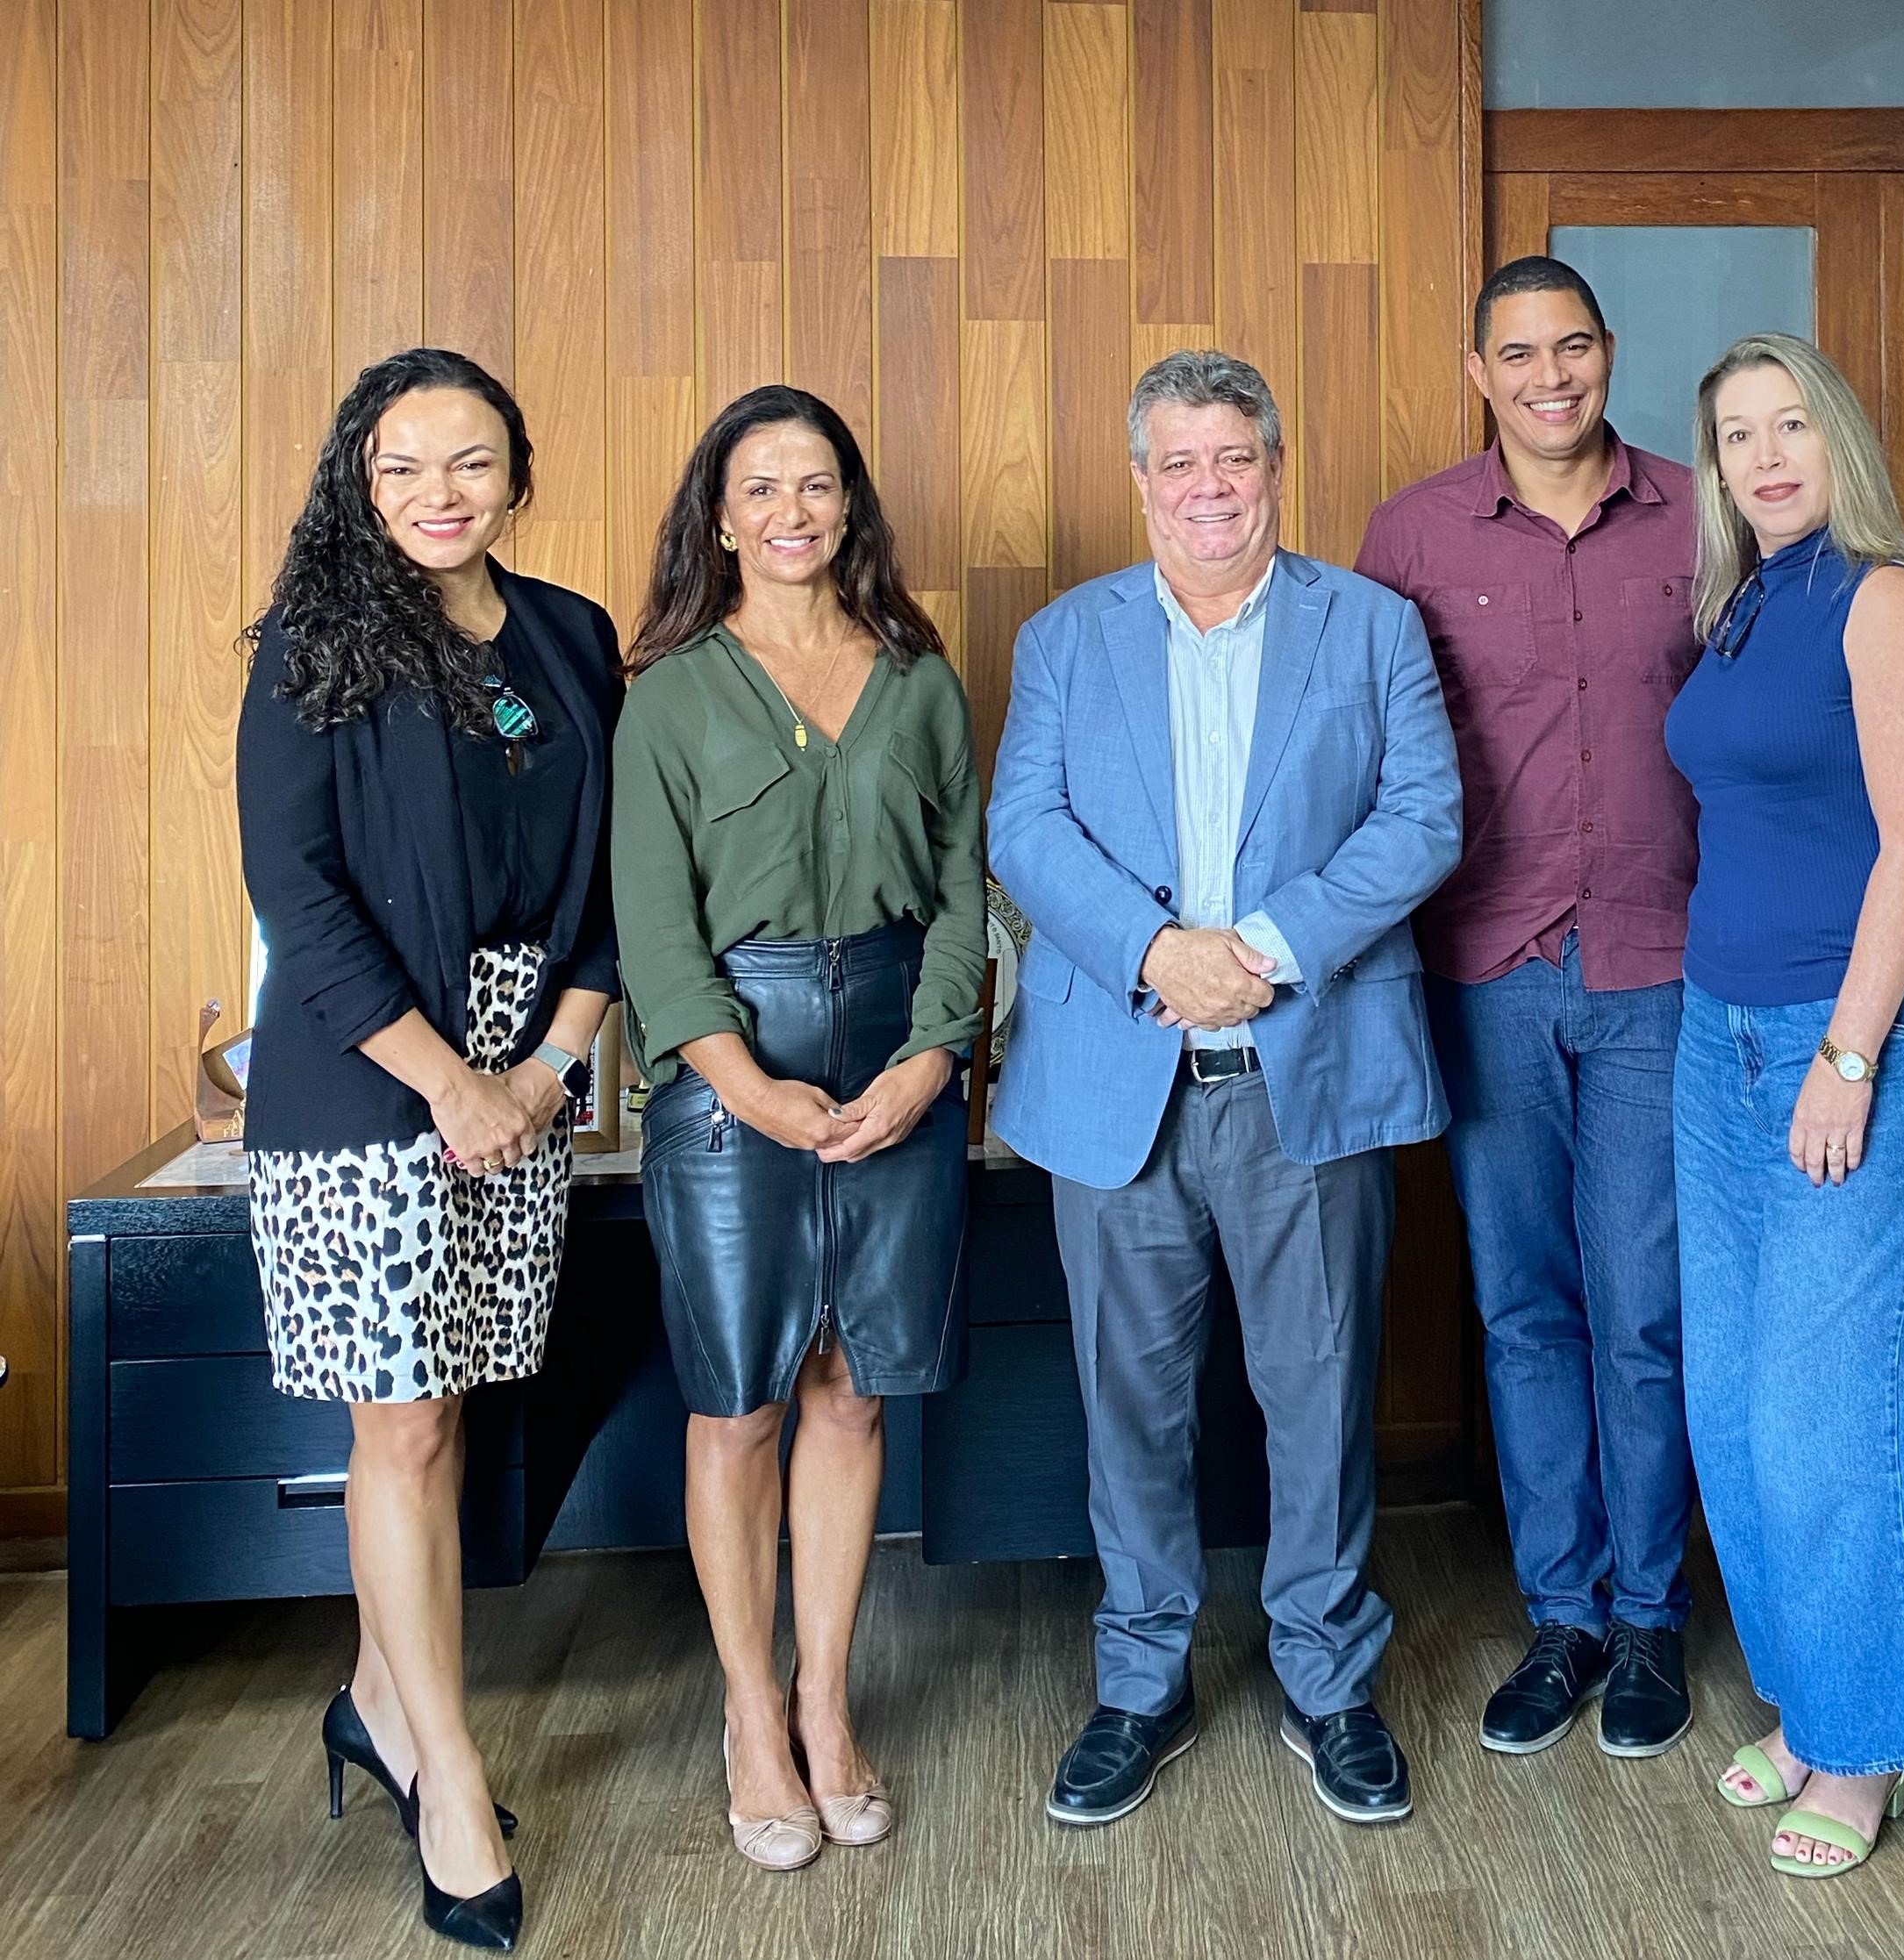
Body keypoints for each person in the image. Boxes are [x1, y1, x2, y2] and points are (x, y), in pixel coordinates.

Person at [987, 350, 1462, 1831]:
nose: (1209, 489)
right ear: (1142, 481)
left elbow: (1423, 815)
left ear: (1275, 466)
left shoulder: (1372, 626)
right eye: (1180, 463)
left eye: (1235, 459)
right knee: (1129, 1404)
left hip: (1302, 1074)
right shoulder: (1066, 638)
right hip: (1116, 1077)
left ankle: (1327, 1674)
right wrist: (1153, 950)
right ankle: (1141, 1679)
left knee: (1318, 1390)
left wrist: (1257, 950)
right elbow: (1024, 824)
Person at [239, 347, 620, 1952]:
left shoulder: (572, 634)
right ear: (359, 478)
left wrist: (546, 1066)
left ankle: (373, 1701)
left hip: (526, 1069)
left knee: (447, 1405)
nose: (438, 494)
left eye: (470, 462)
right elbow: (298, 894)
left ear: (515, 474)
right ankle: (445, 1775)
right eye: (403, 467)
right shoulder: (314, 648)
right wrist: (448, 1081)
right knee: (397, 1424)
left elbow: (613, 876)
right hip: (366, 1072)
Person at [612, 385, 984, 1871]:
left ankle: (827, 1703)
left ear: (851, 504)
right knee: (743, 1397)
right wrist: (744, 1084)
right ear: (720, 514)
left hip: (898, 1054)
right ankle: (748, 1712)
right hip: (728, 1078)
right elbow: (652, 927)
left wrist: (934, 1056)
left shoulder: (921, 675)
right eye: (759, 488)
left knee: (853, 1388)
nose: (790, 512)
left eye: (815, 484)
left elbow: (964, 889)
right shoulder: (670, 693)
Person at [1353, 255, 1700, 1760]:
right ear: (1478, 368)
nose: (1550, 374)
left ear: (1609, 354)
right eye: (1518, 351)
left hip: (1667, 964)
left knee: (1646, 1308)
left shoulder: (1707, 514)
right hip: (1483, 966)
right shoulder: (1411, 534)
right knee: (1521, 1309)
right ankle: (1557, 1617)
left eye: (1574, 346)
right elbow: (1362, 748)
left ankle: (1649, 1621)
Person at [1665, 333, 1904, 1881]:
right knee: (1731, 1404)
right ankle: (1808, 1700)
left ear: (1839, 438)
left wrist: (1848, 1057)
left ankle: (1869, 1744)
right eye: (1737, 435)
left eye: (1793, 426)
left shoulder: (1885, 599)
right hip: (1712, 1040)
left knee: (1823, 1412)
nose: (1768, 456)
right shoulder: (1738, 608)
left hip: (1844, 1042)